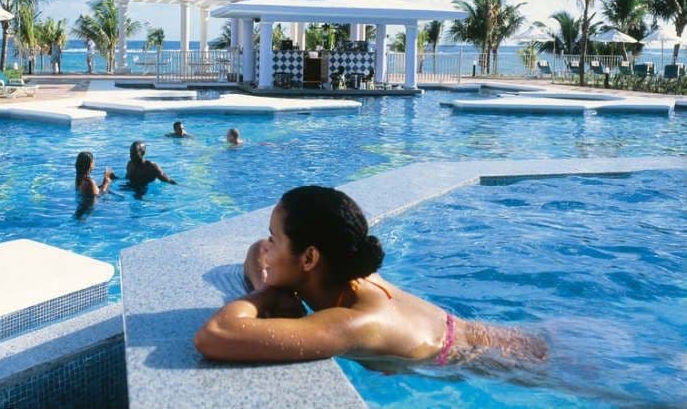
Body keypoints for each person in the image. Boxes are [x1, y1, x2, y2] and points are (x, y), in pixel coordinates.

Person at [195, 186, 547, 370]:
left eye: (276, 238)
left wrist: (266, 296)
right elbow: (257, 250)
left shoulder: (353, 324)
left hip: (507, 363)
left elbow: (215, 336)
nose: (267, 247)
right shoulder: (349, 271)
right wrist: (269, 286)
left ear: (309, 258)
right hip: (507, 338)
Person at [75, 151, 115, 219]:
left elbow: (92, 191)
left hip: (82, 209)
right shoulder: (89, 182)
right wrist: (106, 182)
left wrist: (104, 181)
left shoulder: (79, 178)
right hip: (87, 211)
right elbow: (99, 195)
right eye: (93, 161)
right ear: (90, 164)